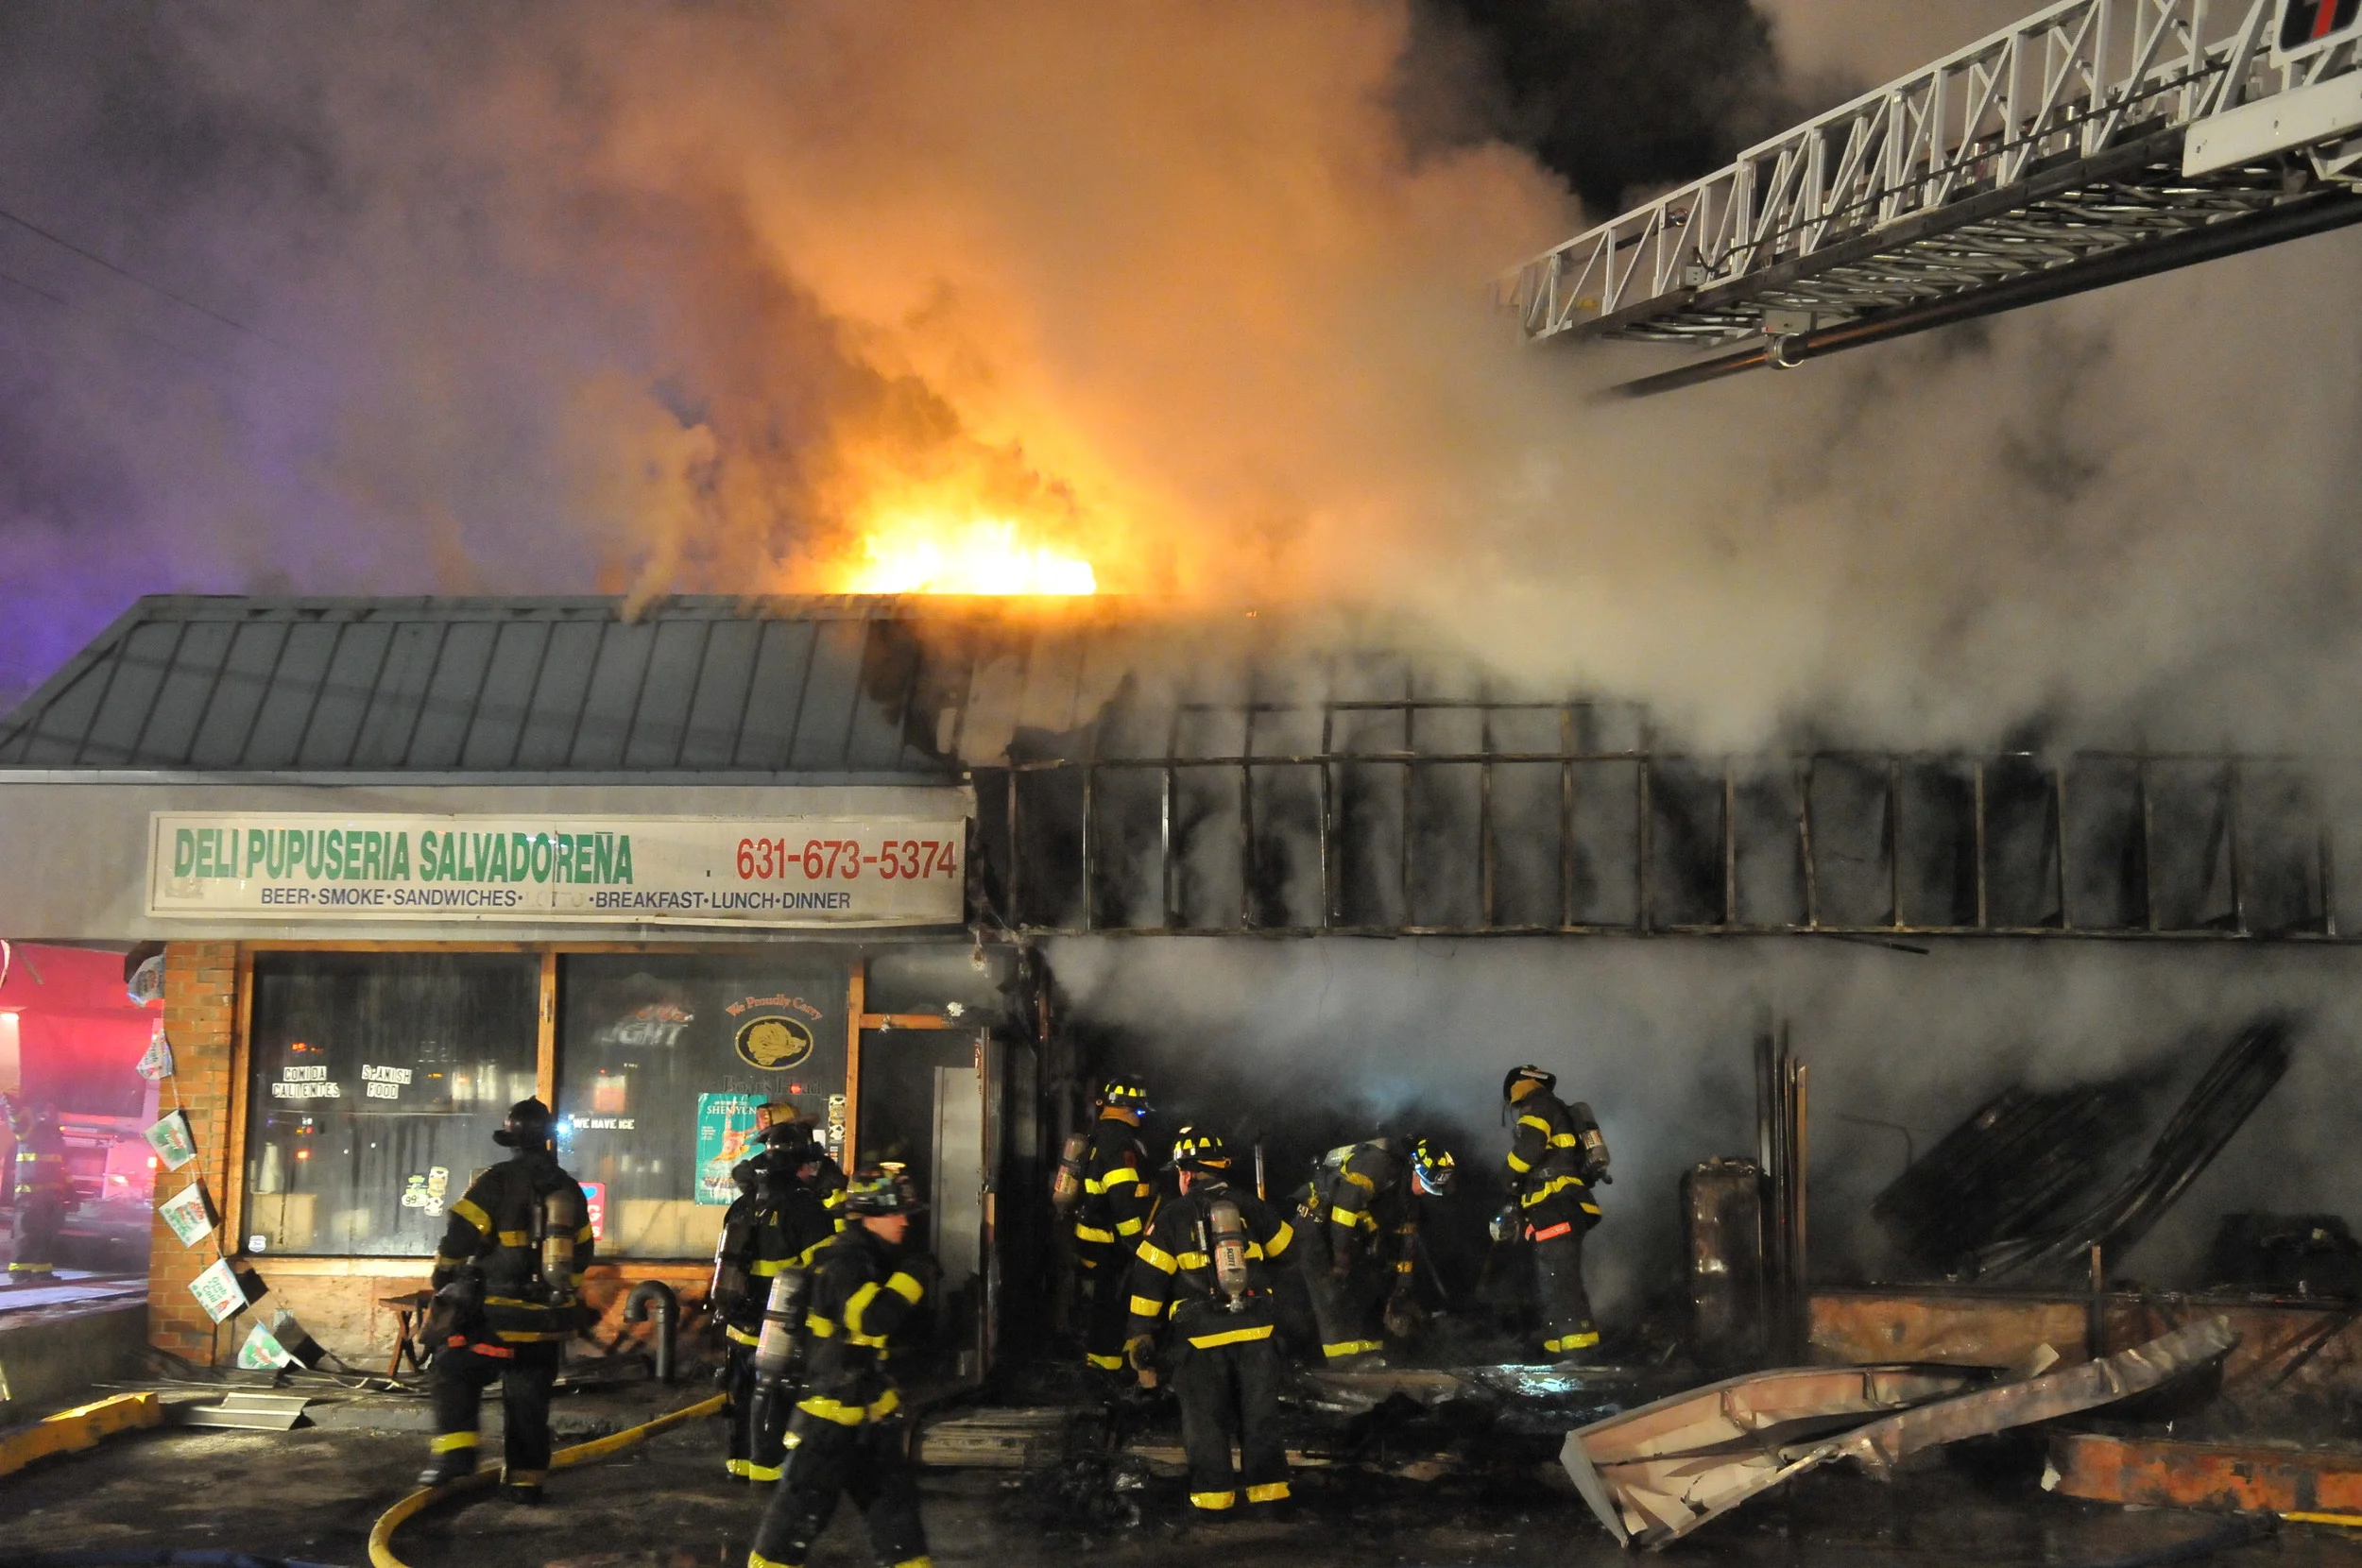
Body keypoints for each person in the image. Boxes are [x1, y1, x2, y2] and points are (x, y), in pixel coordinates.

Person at [748, 1165, 936, 1568]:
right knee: (790, 1528)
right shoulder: (843, 1262)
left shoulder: (872, 1258)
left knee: (898, 1524)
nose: (904, 1221)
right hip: (828, 1422)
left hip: (869, 1416)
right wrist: (914, 1276)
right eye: (895, 1213)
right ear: (869, 1215)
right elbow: (872, 1318)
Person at [417, 1098, 595, 1503]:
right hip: (545, 1323)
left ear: (511, 1141)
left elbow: (459, 1237)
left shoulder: (496, 1181)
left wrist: (445, 1277)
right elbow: (583, 1251)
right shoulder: (568, 1188)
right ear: (547, 1139)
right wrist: (560, 1296)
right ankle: (526, 1483)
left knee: (452, 1370)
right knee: (529, 1400)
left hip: (495, 1317)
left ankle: (456, 1456)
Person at [1125, 1130, 1297, 1517]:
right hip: (1257, 1333)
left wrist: (1140, 1333)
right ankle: (1269, 1500)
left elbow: (1148, 1281)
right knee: (1260, 1416)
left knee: (1206, 1420)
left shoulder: (1172, 1216)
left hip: (1200, 1339)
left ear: (1187, 1173)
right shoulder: (1250, 1205)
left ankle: (1214, 1503)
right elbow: (1289, 1251)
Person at [716, 1120, 841, 1482]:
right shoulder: (806, 1209)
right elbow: (827, 1274)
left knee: (742, 1397)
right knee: (774, 1400)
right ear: (800, 1164)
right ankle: (767, 1473)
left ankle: (739, 1466)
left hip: (738, 1326)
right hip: (780, 1332)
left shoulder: (741, 1205)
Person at [1297, 1135, 1457, 1366]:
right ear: (1414, 1168)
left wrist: (1402, 1290)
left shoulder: (1408, 1198)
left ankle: (1370, 1360)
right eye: (1424, 1184)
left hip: (1349, 1237)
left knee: (1368, 1288)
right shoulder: (1378, 1165)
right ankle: (1344, 1366)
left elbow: (1407, 1243)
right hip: (1317, 1228)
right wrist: (1341, 1259)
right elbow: (1344, 1209)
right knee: (1332, 1295)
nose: (1424, 1191)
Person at [1502, 1065, 1606, 1361]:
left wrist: (1506, 1176)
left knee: (1559, 1281)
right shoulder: (1556, 1108)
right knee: (1553, 1280)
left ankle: (1578, 1353)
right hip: (1562, 1207)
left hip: (1555, 1205)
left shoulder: (1537, 1104)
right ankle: (1557, 1351)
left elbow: (1529, 1149)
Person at [1073, 1077, 1154, 1379]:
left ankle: (1104, 1364)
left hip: (1094, 1237)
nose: (1140, 1117)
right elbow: (1123, 1198)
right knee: (1113, 1304)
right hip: (1111, 1242)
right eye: (1140, 1111)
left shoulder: (1100, 1135)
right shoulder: (1120, 1143)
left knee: (1104, 1303)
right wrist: (1137, 1243)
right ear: (1128, 1109)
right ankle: (1106, 1371)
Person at [3, 1095, 69, 1283]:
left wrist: (71, 1189)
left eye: (53, 1110)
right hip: (29, 1195)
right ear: (37, 1113)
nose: (51, 1114)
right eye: (47, 1110)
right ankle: (19, 1272)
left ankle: (41, 1271)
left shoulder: (55, 1136)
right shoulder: (29, 1130)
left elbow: (62, 1165)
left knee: (46, 1235)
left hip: (51, 1197)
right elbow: (17, 1122)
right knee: (26, 1234)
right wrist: (14, 1108)